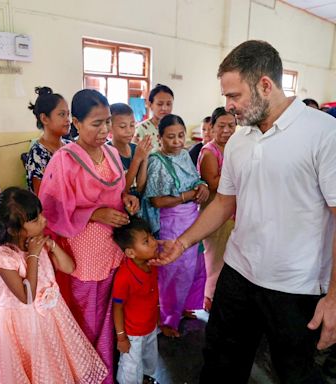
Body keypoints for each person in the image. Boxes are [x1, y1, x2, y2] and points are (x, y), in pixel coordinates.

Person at [156, 40, 336, 383]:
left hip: (295, 286)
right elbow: (225, 201)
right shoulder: (240, 139)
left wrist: (335, 297)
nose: (229, 106)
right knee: (221, 362)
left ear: (265, 85)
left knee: (293, 371)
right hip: (239, 273)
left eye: (234, 95)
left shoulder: (324, 135)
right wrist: (182, 243)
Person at [39, 89, 139, 383]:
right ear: (77, 124)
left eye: (107, 121)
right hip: (83, 253)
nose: (105, 130)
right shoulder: (65, 159)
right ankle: (82, 374)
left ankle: (104, 373)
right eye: (96, 123)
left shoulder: (109, 152)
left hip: (112, 248)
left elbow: (117, 193)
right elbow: (52, 207)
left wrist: (127, 199)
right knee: (85, 317)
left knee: (110, 315)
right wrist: (95, 213)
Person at [0, 187, 108, 383]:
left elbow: (69, 267)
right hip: (21, 326)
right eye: (35, 219)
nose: (43, 220)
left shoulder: (36, 242)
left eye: (40, 214)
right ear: (14, 229)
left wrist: (52, 247)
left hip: (51, 318)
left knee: (53, 367)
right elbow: (27, 296)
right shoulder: (3, 257)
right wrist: (33, 255)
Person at [140, 114, 209, 338]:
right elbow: (156, 200)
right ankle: (167, 318)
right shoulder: (156, 161)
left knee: (195, 268)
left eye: (180, 136)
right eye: (171, 137)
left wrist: (202, 186)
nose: (178, 142)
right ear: (160, 138)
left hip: (192, 219)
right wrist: (187, 195)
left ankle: (185, 306)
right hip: (172, 223)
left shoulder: (184, 155)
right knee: (174, 273)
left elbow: (195, 178)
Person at [197, 107, 237, 312]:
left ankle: (222, 300)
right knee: (216, 262)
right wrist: (241, 173)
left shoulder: (235, 148)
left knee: (230, 261)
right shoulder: (209, 151)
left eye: (231, 125)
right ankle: (210, 300)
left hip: (234, 213)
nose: (227, 130)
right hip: (216, 214)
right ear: (212, 128)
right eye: (221, 126)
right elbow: (212, 183)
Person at [112, 216, 160, 384]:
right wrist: (121, 338)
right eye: (146, 241)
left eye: (152, 237)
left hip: (150, 327)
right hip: (133, 334)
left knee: (149, 359)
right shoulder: (124, 276)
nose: (154, 242)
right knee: (131, 367)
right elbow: (117, 307)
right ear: (130, 252)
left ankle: (146, 379)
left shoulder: (151, 265)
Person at [25, 86, 70, 195]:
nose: (68, 120)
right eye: (62, 114)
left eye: (68, 114)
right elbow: (42, 198)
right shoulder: (38, 154)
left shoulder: (70, 147)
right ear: (44, 118)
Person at [108, 102, 152, 197]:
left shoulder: (136, 149)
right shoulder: (106, 152)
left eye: (132, 125)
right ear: (110, 127)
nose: (129, 131)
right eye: (123, 126)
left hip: (137, 206)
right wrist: (137, 159)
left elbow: (140, 188)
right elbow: (122, 190)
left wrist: (144, 157)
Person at [134, 84, 175, 151]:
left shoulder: (175, 127)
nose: (164, 108)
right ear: (150, 105)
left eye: (168, 104)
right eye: (160, 104)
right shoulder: (141, 129)